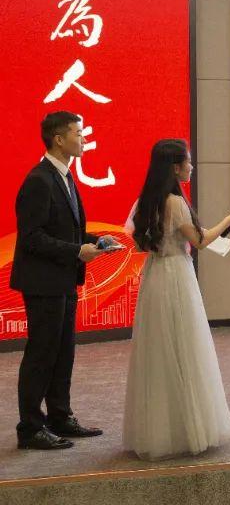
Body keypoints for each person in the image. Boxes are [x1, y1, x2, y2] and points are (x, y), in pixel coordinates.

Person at [122, 139, 230, 460]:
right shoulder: (175, 203)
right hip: (177, 275)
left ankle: (160, 431)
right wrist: (229, 221)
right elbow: (200, 240)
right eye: (188, 162)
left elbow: (142, 241)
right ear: (176, 167)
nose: (192, 167)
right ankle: (187, 429)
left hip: (156, 275)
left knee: (160, 351)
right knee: (185, 347)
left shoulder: (147, 201)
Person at [12, 111, 111, 450]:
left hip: (63, 279)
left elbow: (67, 231)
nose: (83, 138)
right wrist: (76, 251)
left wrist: (95, 242)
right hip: (43, 283)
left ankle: (59, 416)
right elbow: (31, 238)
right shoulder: (39, 180)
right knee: (42, 354)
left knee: (63, 352)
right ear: (58, 138)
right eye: (78, 133)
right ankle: (30, 428)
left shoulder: (64, 177)